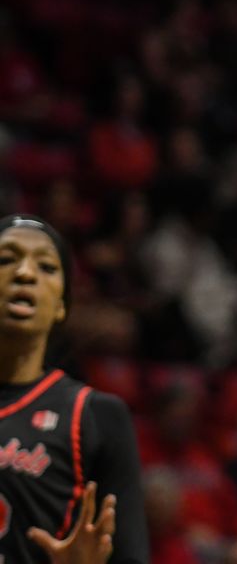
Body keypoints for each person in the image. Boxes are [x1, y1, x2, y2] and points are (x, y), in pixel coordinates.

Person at [0, 214, 149, 564]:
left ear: (62, 305)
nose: (25, 274)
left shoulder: (95, 415)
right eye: (6, 259)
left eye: (47, 267)